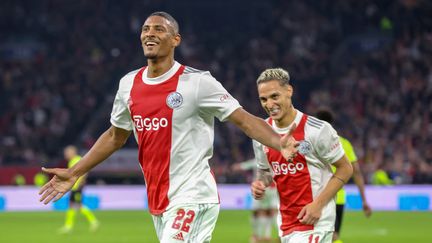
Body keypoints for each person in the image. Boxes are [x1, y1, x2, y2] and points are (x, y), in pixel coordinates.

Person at [39, 12, 298, 243]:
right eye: (145, 29)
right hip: (159, 200)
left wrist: (280, 141)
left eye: (159, 29)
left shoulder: (197, 82)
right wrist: (75, 172)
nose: (150, 33)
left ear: (176, 40)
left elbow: (243, 119)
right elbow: (115, 136)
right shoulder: (128, 84)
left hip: (193, 195)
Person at [250, 68, 353, 243]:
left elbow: (346, 168)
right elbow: (265, 171)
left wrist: (318, 205)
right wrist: (260, 183)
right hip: (286, 223)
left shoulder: (318, 129)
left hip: (316, 221)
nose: (269, 104)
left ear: (289, 91)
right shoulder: (262, 134)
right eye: (263, 99)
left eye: (275, 96)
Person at [315, 110, 372, 243]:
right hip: (338, 196)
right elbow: (356, 172)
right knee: (332, 235)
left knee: (323, 235)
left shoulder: (310, 141)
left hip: (316, 195)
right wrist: (364, 200)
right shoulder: (343, 143)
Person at [232, 159, 279, 243]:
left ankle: (257, 236)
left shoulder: (259, 159)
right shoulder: (274, 159)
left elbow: (248, 165)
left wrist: (239, 166)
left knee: (258, 212)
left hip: (260, 188)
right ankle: (268, 236)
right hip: (273, 189)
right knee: (270, 213)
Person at [58, 145, 99, 234]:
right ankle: (68, 226)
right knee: (72, 205)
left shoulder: (77, 159)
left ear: (72, 152)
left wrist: (81, 183)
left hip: (77, 187)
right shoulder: (72, 161)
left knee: (78, 206)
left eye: (67, 152)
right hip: (74, 187)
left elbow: (84, 171)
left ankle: (93, 221)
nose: (66, 154)